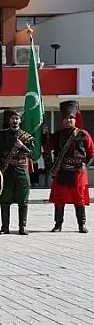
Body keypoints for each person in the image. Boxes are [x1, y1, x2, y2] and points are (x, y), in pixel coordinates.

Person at [0, 109, 35, 235]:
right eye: (13, 118)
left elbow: (33, 154)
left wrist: (22, 146)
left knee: (23, 201)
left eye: (17, 119)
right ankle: (5, 227)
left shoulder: (27, 136)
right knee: (5, 200)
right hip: (7, 171)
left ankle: (22, 226)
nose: (15, 121)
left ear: (20, 121)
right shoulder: (1, 135)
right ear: (9, 121)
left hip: (22, 171)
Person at [48, 100, 94, 233]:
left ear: (75, 119)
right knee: (59, 199)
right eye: (67, 118)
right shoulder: (57, 135)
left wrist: (86, 165)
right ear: (63, 120)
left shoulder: (83, 135)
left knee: (79, 199)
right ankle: (58, 225)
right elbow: (47, 147)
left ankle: (81, 224)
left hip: (78, 172)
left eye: (72, 118)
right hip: (62, 171)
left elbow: (91, 152)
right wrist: (44, 134)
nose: (69, 120)